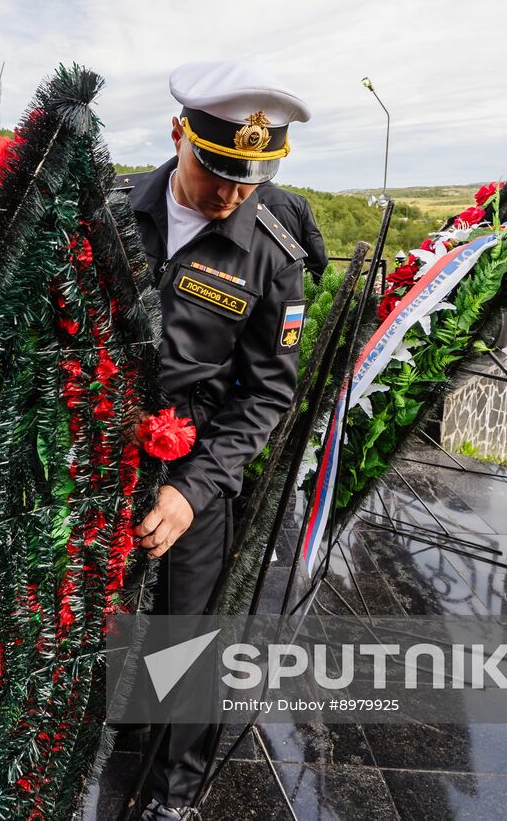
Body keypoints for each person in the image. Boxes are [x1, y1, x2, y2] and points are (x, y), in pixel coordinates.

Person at [116, 61, 313, 819]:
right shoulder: (111, 209)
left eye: (250, 179)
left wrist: (194, 489)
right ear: (178, 136)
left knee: (187, 633)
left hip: (192, 462)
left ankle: (176, 793)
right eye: (217, 172)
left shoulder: (271, 253)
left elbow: (268, 393)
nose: (232, 195)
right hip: (94, 449)